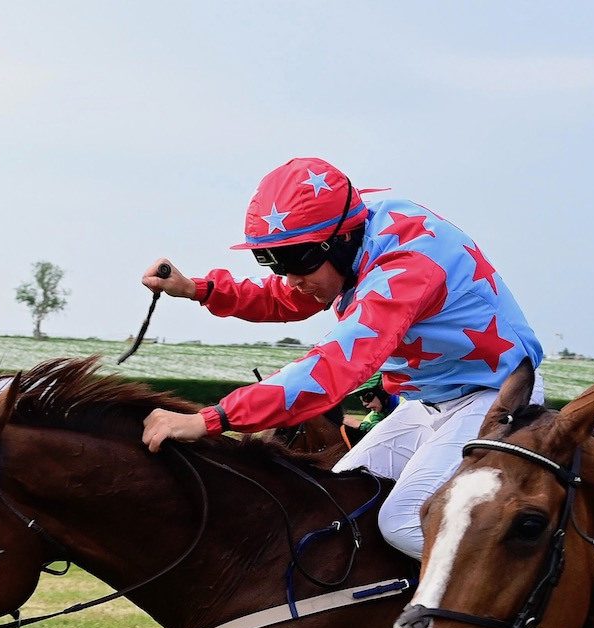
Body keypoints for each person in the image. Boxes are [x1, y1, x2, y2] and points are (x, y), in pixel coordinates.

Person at [137, 156, 544, 558]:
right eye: (273, 260)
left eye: (297, 260)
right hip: (430, 404)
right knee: (343, 504)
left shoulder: (408, 264)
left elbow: (333, 367)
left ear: (341, 238)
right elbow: (288, 297)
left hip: (499, 400)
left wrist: (210, 419)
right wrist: (198, 288)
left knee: (400, 523)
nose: (290, 276)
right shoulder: (358, 239)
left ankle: (545, 608)